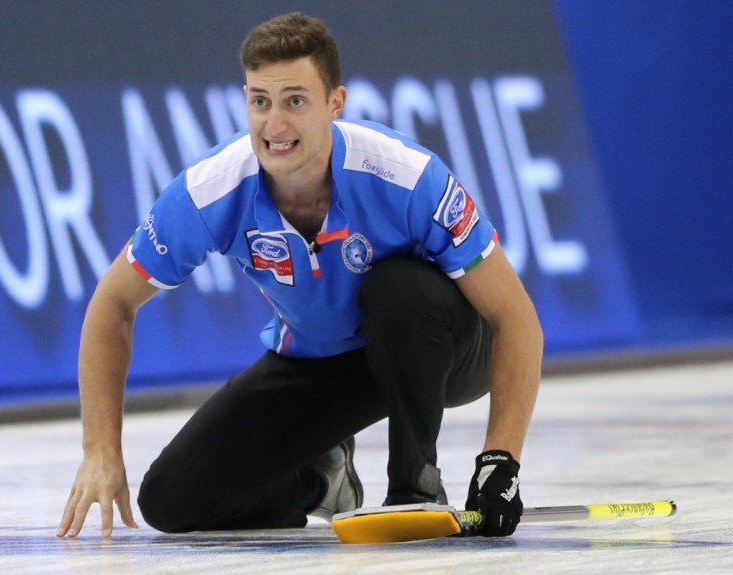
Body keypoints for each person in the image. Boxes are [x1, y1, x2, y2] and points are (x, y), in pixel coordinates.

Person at [57, 11, 542, 539]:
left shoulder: (405, 175)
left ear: (335, 103)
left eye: (295, 101)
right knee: (171, 501)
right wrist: (100, 451)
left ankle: (414, 487)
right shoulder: (209, 191)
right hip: (323, 362)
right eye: (260, 101)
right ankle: (319, 480)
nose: (274, 126)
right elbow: (112, 304)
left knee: (398, 289)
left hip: (441, 350)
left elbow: (515, 319)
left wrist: (501, 462)